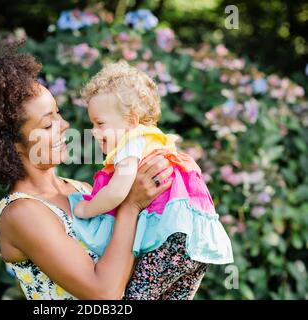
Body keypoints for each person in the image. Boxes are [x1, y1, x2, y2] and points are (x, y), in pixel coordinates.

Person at [0, 39, 173, 300]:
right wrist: (130, 206)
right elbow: (103, 293)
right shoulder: (22, 212)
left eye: (58, 113)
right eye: (48, 125)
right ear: (11, 145)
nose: (64, 125)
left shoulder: (82, 190)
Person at [69, 61, 234, 299]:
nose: (94, 131)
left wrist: (86, 208)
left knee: (133, 297)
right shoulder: (156, 142)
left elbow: (117, 192)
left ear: (131, 119)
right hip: (197, 242)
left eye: (100, 123)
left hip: (168, 241)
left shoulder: (131, 145)